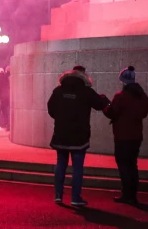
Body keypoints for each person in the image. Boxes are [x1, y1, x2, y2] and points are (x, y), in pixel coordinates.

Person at [47, 65, 110, 207]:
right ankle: (75, 198)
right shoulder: (86, 91)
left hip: (61, 134)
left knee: (61, 164)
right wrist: (105, 99)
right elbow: (100, 105)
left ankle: (58, 195)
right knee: (77, 168)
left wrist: (60, 118)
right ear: (83, 76)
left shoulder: (58, 91)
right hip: (79, 136)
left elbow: (51, 109)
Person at [103, 66, 148, 206]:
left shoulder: (121, 96)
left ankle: (126, 194)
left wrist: (106, 106)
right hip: (136, 135)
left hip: (122, 136)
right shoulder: (143, 97)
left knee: (123, 165)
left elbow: (111, 112)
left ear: (123, 81)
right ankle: (133, 195)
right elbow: (143, 114)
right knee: (132, 165)